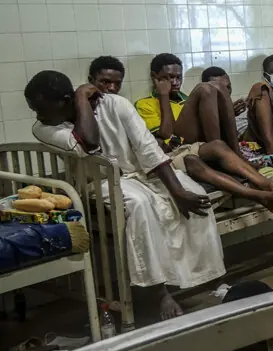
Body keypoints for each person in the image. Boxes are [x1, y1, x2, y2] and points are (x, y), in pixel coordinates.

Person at [26, 70, 225, 320]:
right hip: (98, 182)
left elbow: (147, 148)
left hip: (142, 172)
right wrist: (81, 98)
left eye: (41, 108)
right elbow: (88, 143)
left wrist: (177, 191)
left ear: (64, 100)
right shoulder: (42, 128)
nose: (37, 115)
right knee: (140, 204)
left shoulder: (115, 104)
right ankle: (159, 291)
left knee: (194, 192)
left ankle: (209, 276)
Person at [135, 54, 273, 212]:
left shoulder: (186, 100)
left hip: (200, 146)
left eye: (178, 77)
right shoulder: (145, 104)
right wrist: (163, 96)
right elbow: (166, 135)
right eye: (168, 78)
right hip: (177, 149)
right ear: (155, 77)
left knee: (216, 87)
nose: (174, 82)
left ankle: (235, 155)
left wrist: (227, 112)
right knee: (204, 89)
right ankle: (235, 162)